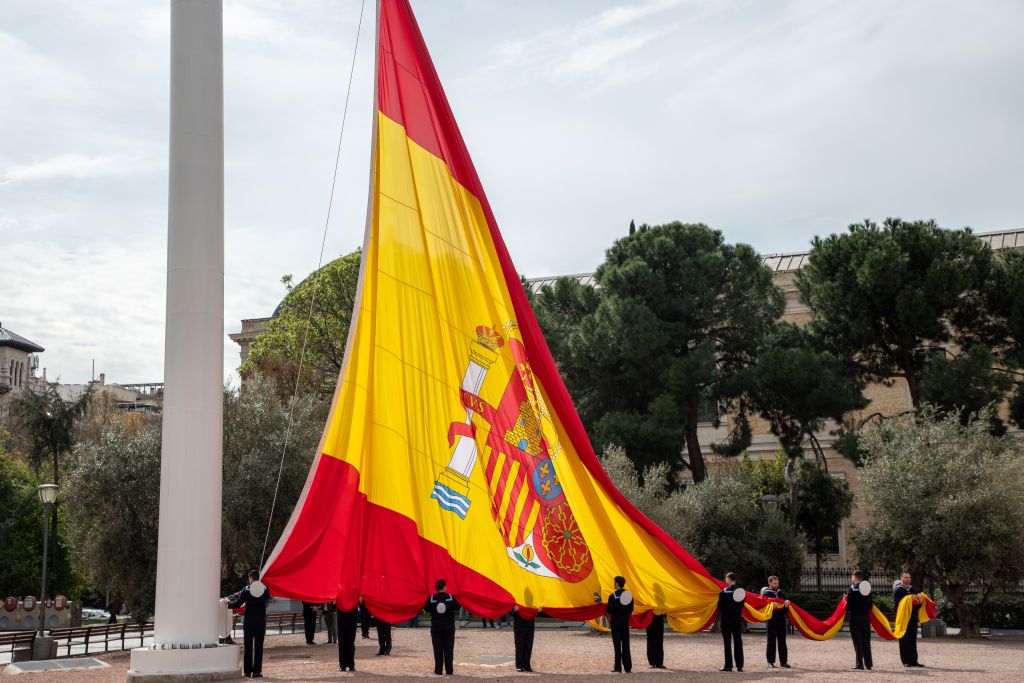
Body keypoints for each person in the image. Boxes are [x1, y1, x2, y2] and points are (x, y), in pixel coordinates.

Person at [228, 570, 271, 679]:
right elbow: (267, 598)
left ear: (251, 578)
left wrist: (228, 604)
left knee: (248, 646)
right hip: (260, 621)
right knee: (258, 646)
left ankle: (247, 672)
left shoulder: (246, 590)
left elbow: (238, 604)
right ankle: (257, 671)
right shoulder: (265, 589)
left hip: (249, 621)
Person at [425, 579, 459, 676]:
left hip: (436, 627)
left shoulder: (432, 598)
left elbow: (426, 608)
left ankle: (438, 670)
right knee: (449, 649)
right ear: (444, 587)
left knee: (437, 649)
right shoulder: (450, 597)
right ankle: (449, 670)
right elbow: (457, 607)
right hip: (448, 626)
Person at [893, 570, 925, 668]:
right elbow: (898, 605)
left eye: (909, 577)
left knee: (912, 639)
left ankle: (914, 660)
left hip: (912, 618)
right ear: (901, 578)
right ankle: (906, 661)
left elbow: (917, 606)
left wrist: (920, 601)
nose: (908, 579)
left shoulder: (913, 589)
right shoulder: (899, 590)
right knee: (904, 640)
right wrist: (908, 600)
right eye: (906, 577)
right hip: (903, 619)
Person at [761, 575, 791, 669]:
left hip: (781, 621)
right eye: (774, 583)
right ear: (769, 583)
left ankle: (783, 661)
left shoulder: (781, 593)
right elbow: (762, 607)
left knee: (782, 642)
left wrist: (786, 605)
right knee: (771, 642)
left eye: (777, 583)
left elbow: (785, 610)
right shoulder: (766, 594)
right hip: (772, 621)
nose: (776, 585)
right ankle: (770, 662)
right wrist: (770, 605)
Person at [606, 575, 634, 673]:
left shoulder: (612, 596)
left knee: (617, 646)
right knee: (626, 645)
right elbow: (631, 610)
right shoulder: (629, 595)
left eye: (614, 582)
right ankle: (628, 667)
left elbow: (609, 610)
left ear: (617, 583)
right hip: (625, 623)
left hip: (616, 623)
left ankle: (618, 668)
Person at [718, 572, 745, 672]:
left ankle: (728, 665)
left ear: (728, 579)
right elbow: (742, 604)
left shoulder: (723, 592)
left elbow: (719, 607)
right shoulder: (740, 591)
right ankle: (740, 665)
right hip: (737, 619)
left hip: (726, 620)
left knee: (727, 643)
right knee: (738, 641)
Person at [847, 570, 873, 671]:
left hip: (855, 618)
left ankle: (859, 664)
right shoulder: (867, 589)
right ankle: (869, 664)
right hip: (866, 618)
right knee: (866, 641)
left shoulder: (852, 589)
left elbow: (849, 605)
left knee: (858, 641)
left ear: (855, 577)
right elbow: (870, 605)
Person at [512, 605, 535, 672]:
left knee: (529, 646)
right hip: (519, 624)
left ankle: (527, 665)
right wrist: (513, 609)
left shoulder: (532, 601)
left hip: (530, 624)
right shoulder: (516, 600)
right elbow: (509, 610)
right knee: (519, 645)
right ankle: (519, 665)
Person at [337, 603, 359, 672]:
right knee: (342, 643)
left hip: (351, 617)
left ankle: (350, 665)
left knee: (350, 642)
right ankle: (343, 665)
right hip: (342, 617)